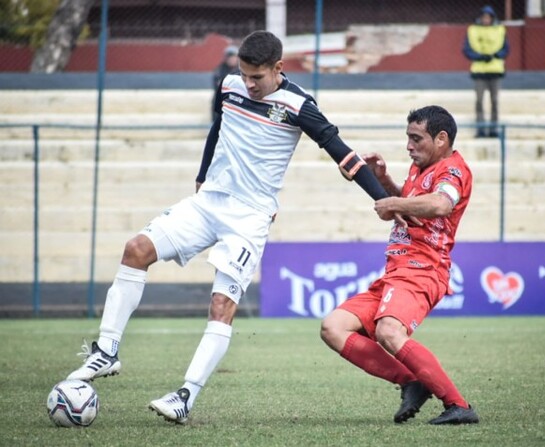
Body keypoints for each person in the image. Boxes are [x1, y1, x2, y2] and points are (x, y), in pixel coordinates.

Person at [66, 30, 389, 424]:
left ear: (279, 68)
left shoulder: (299, 105)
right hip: (208, 203)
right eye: (244, 75)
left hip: (249, 217)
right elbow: (218, 128)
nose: (249, 84)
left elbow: (345, 156)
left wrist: (381, 198)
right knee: (136, 249)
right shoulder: (230, 84)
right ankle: (107, 350)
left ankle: (185, 396)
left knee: (221, 305)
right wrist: (202, 175)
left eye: (258, 77)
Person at [320, 105, 479, 425]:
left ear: (441, 139)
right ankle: (412, 380)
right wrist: (384, 182)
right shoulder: (419, 168)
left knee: (388, 331)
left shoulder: (452, 170)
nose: (409, 146)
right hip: (396, 271)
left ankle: (458, 405)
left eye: (416, 138)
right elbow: (410, 208)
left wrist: (394, 202)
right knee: (333, 328)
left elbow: (440, 204)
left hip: (423, 269)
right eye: (408, 138)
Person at [462, 5, 509, 138]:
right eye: (484, 17)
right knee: (479, 101)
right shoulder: (473, 30)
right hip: (479, 71)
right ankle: (481, 128)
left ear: (492, 18)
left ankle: (494, 128)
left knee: (494, 101)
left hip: (495, 70)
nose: (486, 20)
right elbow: (467, 50)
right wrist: (480, 57)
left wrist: (495, 55)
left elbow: (506, 49)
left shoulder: (500, 29)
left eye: (488, 17)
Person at [211, 45, 239, 122]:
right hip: (222, 101)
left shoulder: (241, 70)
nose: (232, 59)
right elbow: (218, 87)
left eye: (234, 57)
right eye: (230, 57)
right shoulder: (220, 71)